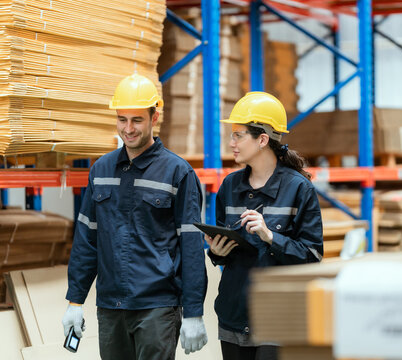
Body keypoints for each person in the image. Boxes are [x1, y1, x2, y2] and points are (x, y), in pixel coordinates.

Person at [62, 73, 208, 359]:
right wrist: (74, 301)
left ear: (154, 119)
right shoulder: (101, 170)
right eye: (122, 119)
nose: (128, 129)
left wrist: (193, 312)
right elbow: (86, 240)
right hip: (110, 307)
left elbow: (192, 247)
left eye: (137, 120)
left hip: (156, 307)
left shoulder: (178, 172)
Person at [205, 92, 324, 360]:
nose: (231, 142)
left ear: (262, 139)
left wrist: (270, 236)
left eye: (238, 135)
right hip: (234, 315)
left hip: (278, 319)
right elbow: (225, 250)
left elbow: (312, 256)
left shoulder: (298, 189)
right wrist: (217, 252)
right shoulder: (230, 186)